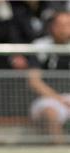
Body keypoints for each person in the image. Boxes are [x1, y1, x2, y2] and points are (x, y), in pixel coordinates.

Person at [27, 11, 70, 143]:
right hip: (48, 99)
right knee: (50, 113)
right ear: (52, 27)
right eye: (59, 25)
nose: (63, 29)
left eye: (67, 25)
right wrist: (59, 99)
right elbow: (34, 80)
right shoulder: (40, 46)